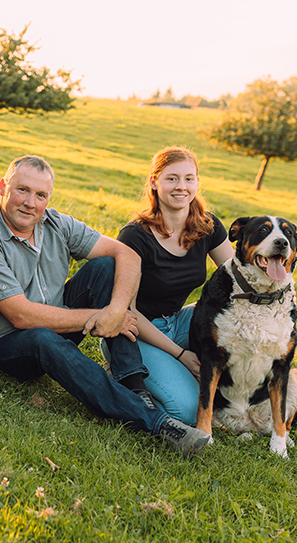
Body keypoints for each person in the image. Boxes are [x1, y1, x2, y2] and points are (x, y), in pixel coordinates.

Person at [0, 155, 211, 457]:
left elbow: (127, 255)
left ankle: (136, 386)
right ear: (2, 187)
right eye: (22, 190)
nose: (30, 203)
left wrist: (116, 312)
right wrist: (101, 316)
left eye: (40, 195)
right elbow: (21, 316)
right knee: (42, 338)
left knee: (105, 267)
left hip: (54, 322)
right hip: (5, 343)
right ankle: (156, 422)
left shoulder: (55, 223)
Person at [101, 146, 234, 425]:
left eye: (188, 178)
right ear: (154, 182)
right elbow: (128, 312)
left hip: (180, 321)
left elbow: (237, 279)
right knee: (186, 410)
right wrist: (181, 355)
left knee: (236, 317)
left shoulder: (208, 226)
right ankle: (126, 378)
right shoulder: (135, 236)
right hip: (137, 332)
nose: (181, 186)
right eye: (172, 178)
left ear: (197, 183)